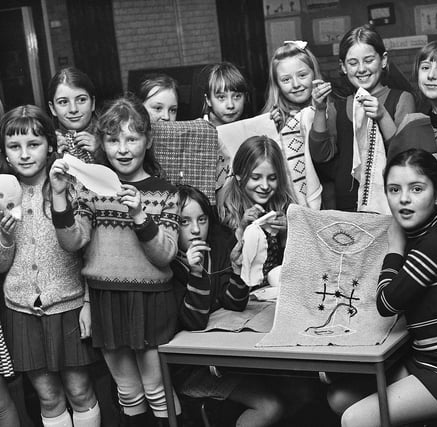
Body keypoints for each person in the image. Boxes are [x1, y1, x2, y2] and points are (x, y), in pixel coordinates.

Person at [329, 149, 437, 426]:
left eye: (416, 189)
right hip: (428, 362)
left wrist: (394, 248)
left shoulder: (435, 242)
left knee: (355, 419)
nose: (404, 199)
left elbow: (387, 303)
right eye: (394, 189)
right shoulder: (423, 235)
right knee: (339, 397)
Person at [49, 96, 183, 425]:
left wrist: (139, 215)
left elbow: (165, 255)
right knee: (128, 391)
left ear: (147, 140)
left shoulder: (166, 193)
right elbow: (72, 241)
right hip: (104, 297)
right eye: (112, 140)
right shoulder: (90, 190)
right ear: (103, 144)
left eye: (131, 139)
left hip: (151, 300)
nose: (122, 149)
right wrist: (57, 195)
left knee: (158, 390)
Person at [0, 105, 100, 427]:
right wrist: (4, 238)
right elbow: (1, 265)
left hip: (68, 306)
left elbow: (89, 249)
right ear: (4, 151)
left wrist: (88, 302)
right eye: (14, 146)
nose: (25, 154)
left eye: (34, 144)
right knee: (47, 396)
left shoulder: (70, 186)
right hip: (20, 309)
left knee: (80, 390)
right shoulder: (2, 194)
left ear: (49, 144)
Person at [171, 184, 285, 426]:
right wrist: (196, 273)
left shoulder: (217, 248)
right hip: (191, 368)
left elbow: (233, 304)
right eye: (184, 221)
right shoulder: (168, 265)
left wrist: (237, 270)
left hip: (221, 356)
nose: (195, 230)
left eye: (201, 220)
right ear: (170, 224)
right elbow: (194, 321)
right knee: (270, 406)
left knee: (296, 391)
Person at [309, 24, 415, 212]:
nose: (361, 69)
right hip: (347, 203)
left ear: (383, 60)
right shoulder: (338, 106)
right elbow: (321, 156)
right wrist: (319, 109)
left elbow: (406, 156)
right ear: (343, 66)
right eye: (353, 63)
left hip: (390, 200)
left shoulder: (401, 99)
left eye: (368, 60)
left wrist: (382, 115)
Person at [218, 136, 297, 289]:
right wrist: (241, 230)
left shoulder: (285, 206)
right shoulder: (227, 209)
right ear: (239, 175)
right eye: (256, 178)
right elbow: (224, 267)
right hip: (239, 295)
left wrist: (287, 235)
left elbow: (294, 267)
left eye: (272, 178)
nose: (265, 186)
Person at [261, 41, 325, 209]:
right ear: (277, 84)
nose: (296, 84)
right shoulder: (273, 119)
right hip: (289, 207)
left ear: (314, 75)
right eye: (286, 79)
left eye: (302, 75)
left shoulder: (328, 112)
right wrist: (276, 132)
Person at [47, 67, 101, 163]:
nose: (73, 109)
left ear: (93, 103)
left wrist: (101, 151)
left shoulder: (111, 137)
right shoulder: (45, 143)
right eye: (63, 102)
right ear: (52, 108)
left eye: (81, 100)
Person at [202, 62, 250, 126]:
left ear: (245, 97)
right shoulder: (199, 133)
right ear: (208, 100)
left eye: (237, 96)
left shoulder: (252, 128)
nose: (230, 105)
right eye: (221, 97)